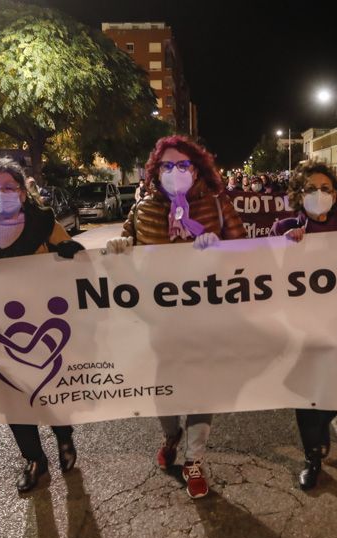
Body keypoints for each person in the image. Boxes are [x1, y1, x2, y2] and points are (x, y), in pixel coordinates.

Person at [106, 135, 245, 499]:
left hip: (206, 320)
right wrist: (119, 248)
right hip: (159, 324)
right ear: (155, 171)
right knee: (164, 391)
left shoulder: (217, 206)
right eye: (167, 165)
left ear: (197, 169)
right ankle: (171, 436)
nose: (175, 171)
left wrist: (222, 251)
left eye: (183, 165)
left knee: (201, 390)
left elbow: (249, 256)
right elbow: (123, 251)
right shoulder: (143, 211)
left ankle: (194, 459)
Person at [0, 157, 85, 493]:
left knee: (51, 390)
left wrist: (71, 252)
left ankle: (64, 439)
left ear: (23, 193)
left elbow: (78, 259)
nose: (2, 194)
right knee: (12, 399)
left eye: (9, 188)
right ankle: (34, 460)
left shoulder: (42, 222)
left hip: (45, 326)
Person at [270, 160, 337, 489]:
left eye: (326, 188)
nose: (319, 194)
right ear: (299, 195)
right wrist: (285, 244)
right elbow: (267, 267)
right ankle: (312, 456)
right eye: (311, 189)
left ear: (336, 194)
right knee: (305, 395)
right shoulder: (284, 228)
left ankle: (321, 432)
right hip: (302, 330)